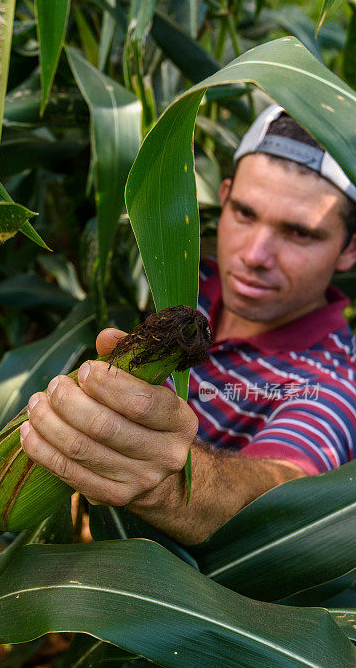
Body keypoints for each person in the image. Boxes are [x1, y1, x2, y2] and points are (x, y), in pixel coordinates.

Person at [19, 105, 356, 545]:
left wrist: (171, 480)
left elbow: (283, 489)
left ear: (350, 249)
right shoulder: (178, 274)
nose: (255, 255)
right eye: (245, 213)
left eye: (299, 233)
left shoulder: (333, 385)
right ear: (227, 195)